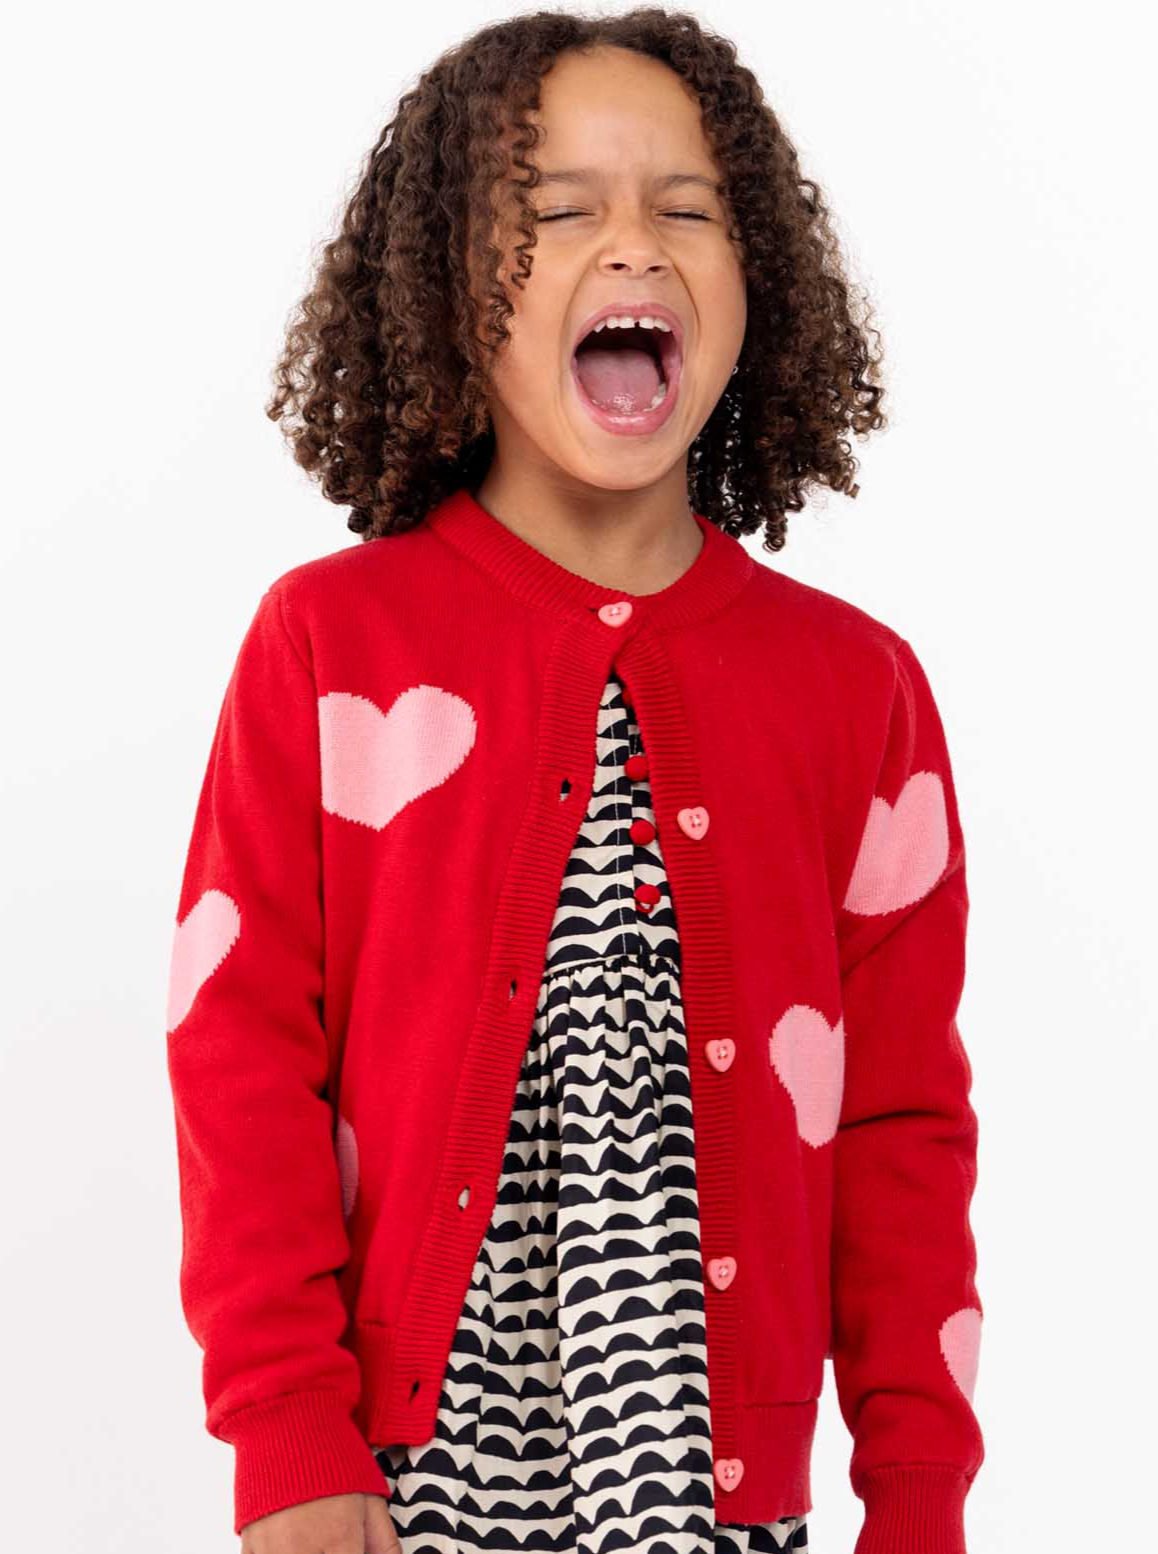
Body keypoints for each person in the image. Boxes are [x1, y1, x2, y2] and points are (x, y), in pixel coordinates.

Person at [164, 10, 984, 1554]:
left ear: (762, 289)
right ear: (448, 292)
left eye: (687, 208)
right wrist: (285, 1434)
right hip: (405, 1476)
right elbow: (242, 1053)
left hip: (717, 1488)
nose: (635, 246)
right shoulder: (329, 645)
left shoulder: (853, 689)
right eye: (555, 212)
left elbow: (900, 1123)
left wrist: (918, 1498)